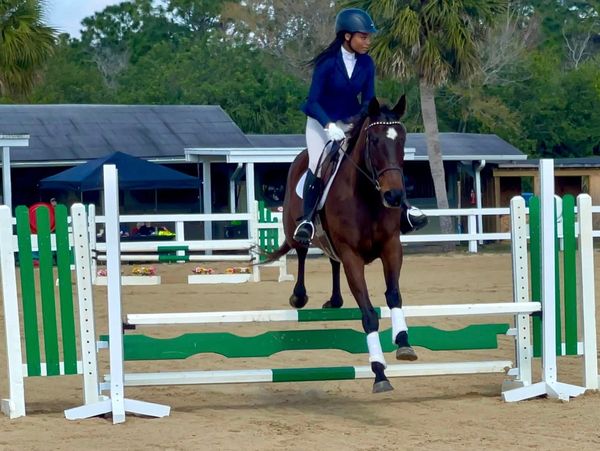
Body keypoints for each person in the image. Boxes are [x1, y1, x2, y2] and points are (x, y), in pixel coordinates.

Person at [293, 8, 428, 246]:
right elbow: (312, 102)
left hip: (350, 121)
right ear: (347, 37)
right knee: (316, 163)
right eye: (363, 37)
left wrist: (365, 121)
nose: (368, 42)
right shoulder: (326, 64)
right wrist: (328, 125)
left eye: (369, 37)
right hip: (319, 122)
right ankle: (307, 221)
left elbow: (368, 100)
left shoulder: (367, 64)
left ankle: (404, 209)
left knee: (379, 155)